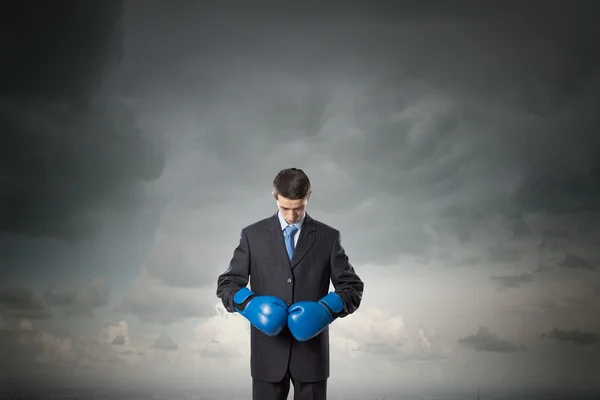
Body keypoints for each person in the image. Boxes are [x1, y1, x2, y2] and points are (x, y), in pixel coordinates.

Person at [216, 167, 364, 400]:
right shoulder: (252, 235)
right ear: (275, 196)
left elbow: (352, 287)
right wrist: (250, 305)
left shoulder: (328, 237)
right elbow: (227, 284)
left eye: (299, 208)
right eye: (285, 208)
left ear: (309, 196)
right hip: (267, 356)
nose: (292, 215)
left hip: (312, 357)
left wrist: (326, 309)